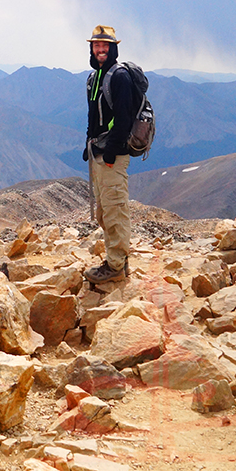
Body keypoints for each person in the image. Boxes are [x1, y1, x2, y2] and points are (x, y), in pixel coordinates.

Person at [83, 25, 134, 284]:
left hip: (112, 155)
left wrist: (112, 152)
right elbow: (95, 117)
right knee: (104, 213)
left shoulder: (119, 76)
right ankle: (118, 260)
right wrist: (88, 145)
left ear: (113, 48)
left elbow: (124, 120)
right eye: (96, 45)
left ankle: (115, 266)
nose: (100, 50)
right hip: (99, 153)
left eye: (105, 46)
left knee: (115, 211)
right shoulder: (95, 77)